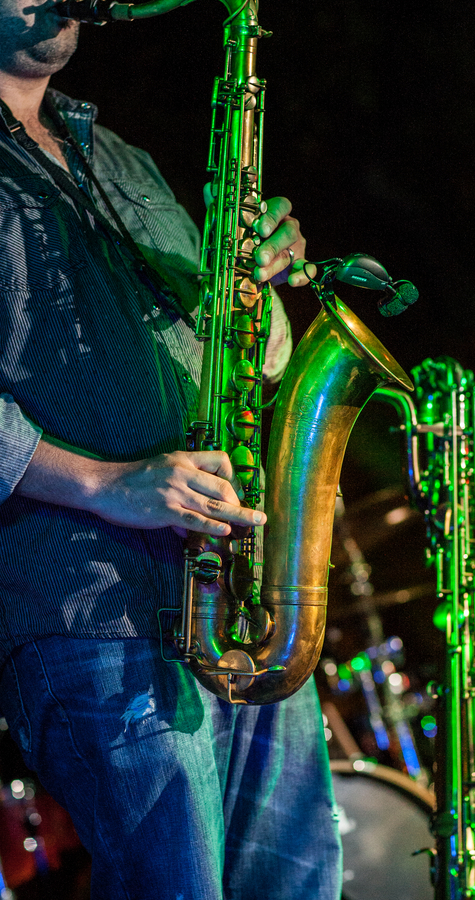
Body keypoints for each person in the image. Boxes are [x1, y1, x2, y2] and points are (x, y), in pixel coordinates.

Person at [0, 0, 343, 896]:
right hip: (88, 609)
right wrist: (106, 483)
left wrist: (257, 289)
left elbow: (253, 359)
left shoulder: (122, 161)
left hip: (241, 602)